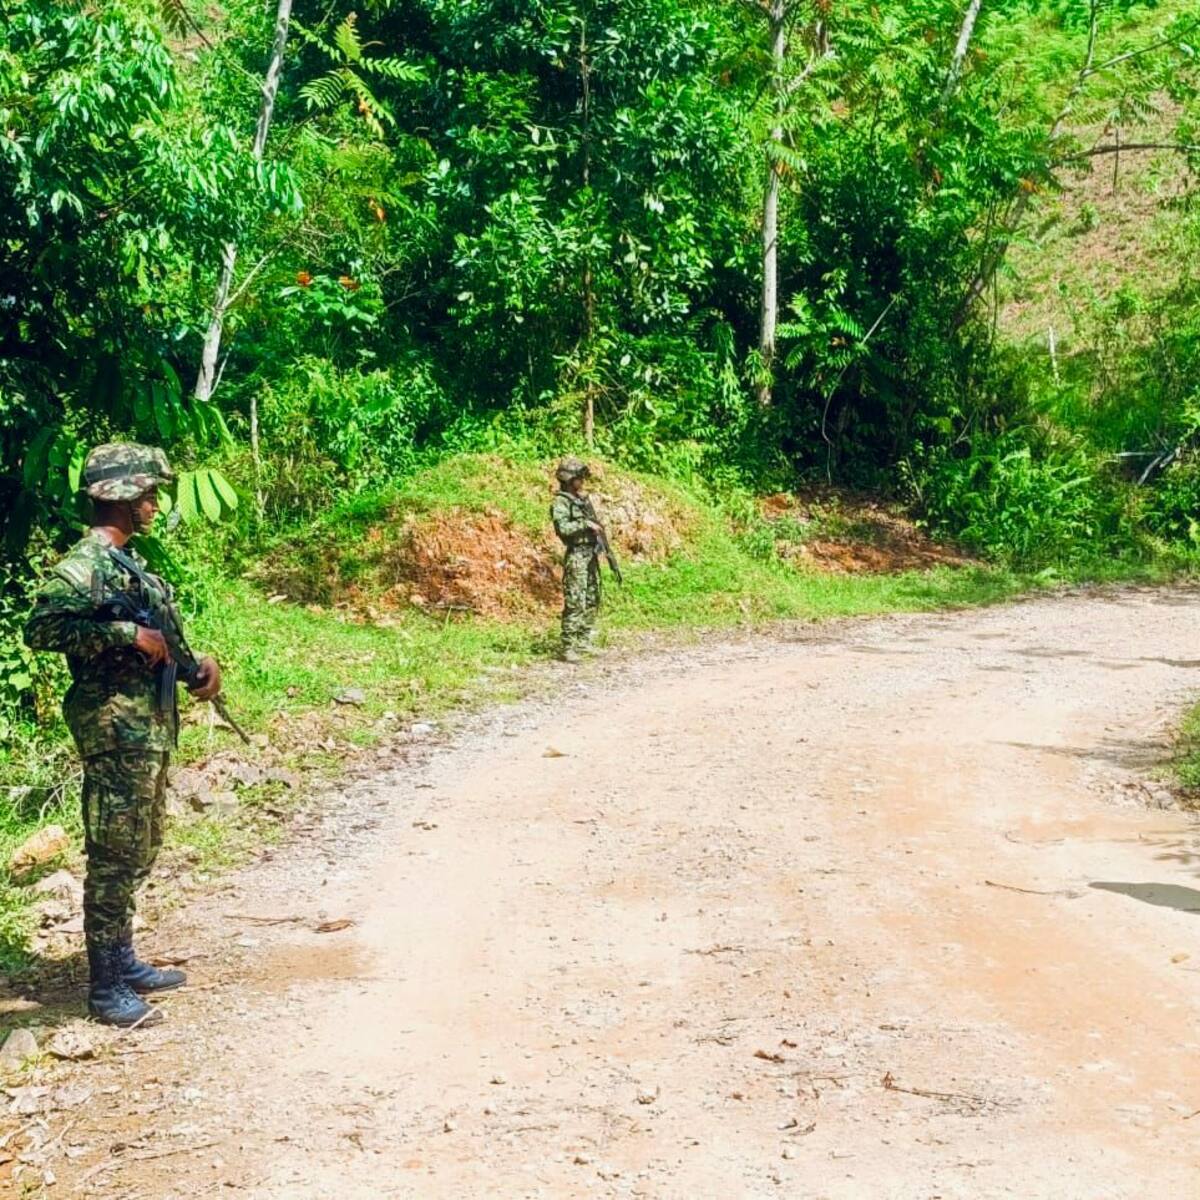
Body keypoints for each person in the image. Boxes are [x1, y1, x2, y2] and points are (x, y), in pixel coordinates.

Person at [24, 443, 222, 1028]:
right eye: (147, 495)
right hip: (114, 726)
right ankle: (106, 986)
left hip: (146, 726)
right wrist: (123, 635)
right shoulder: (85, 564)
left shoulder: (128, 566)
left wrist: (196, 670)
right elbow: (42, 626)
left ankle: (125, 960)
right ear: (120, 497)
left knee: (140, 844)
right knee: (114, 852)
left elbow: (162, 639)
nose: (154, 505)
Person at [550, 457, 605, 663]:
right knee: (575, 601)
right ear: (569, 479)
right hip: (576, 556)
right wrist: (585, 524)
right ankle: (568, 647)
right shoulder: (561, 502)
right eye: (578, 478)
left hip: (589, 555)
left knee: (592, 597)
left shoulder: (581, 500)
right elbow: (563, 529)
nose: (582, 481)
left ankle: (583, 640)